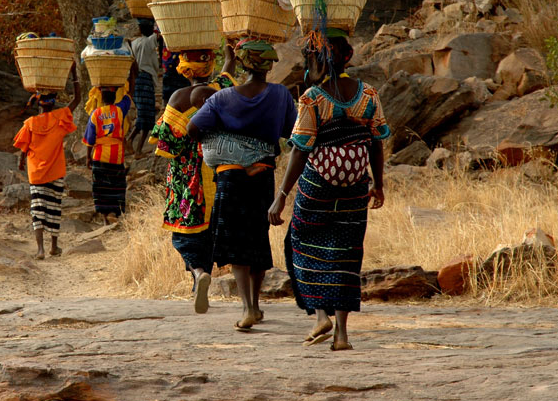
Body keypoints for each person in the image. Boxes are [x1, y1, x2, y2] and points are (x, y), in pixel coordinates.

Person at [268, 34, 390, 351]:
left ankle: (321, 315)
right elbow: (376, 143)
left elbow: (300, 150)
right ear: (348, 57)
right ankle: (342, 336)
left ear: (320, 61)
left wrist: (282, 194)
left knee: (301, 244)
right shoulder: (369, 95)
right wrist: (378, 183)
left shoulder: (313, 98)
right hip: (355, 189)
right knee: (346, 257)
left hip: (317, 188)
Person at [187, 42, 297, 330]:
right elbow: (290, 132)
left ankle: (247, 308)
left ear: (243, 65)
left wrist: (227, 137)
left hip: (229, 177)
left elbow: (192, 129)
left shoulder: (222, 99)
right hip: (263, 175)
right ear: (269, 65)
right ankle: (257, 306)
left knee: (236, 243)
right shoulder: (280, 95)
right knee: (256, 238)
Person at [149, 46, 237, 313]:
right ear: (210, 65)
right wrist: (231, 55)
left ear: (184, 69)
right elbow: (227, 73)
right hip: (218, 171)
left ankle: (198, 274)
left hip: (188, 177)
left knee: (184, 236)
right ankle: (200, 283)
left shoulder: (179, 98)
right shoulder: (222, 91)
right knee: (210, 232)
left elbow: (167, 146)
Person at [13, 64, 82, 260]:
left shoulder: (30, 123)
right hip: (55, 171)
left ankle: (40, 249)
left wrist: (21, 162)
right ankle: (54, 246)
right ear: (54, 103)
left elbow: (23, 148)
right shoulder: (60, 118)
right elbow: (77, 98)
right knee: (54, 207)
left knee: (37, 209)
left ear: (39, 103)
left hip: (36, 173)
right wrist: (73, 72)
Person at [84, 73, 135, 224]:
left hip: (100, 156)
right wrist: (130, 76)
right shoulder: (119, 111)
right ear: (114, 98)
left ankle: (105, 216)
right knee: (116, 185)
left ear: (101, 98)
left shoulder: (95, 114)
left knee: (101, 187)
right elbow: (129, 95)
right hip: (116, 156)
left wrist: (88, 157)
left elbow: (90, 138)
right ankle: (114, 212)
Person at [127, 19, 161, 157]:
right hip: (145, 80)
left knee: (144, 115)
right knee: (147, 118)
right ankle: (137, 149)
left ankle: (131, 141)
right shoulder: (149, 41)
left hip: (137, 79)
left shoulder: (134, 43)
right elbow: (160, 33)